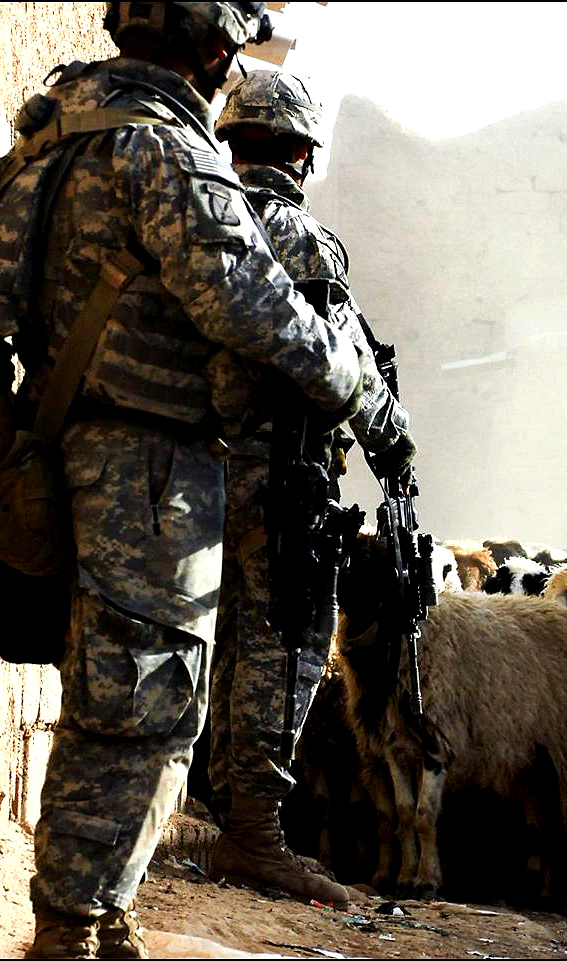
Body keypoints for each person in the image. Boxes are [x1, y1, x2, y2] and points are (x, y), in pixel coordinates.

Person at [0, 3, 367, 957]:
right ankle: (75, 925)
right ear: (211, 46)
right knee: (140, 703)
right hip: (151, 473)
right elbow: (255, 308)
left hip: (52, 448)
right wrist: (354, 380)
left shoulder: (47, 140)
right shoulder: (165, 150)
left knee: (107, 690)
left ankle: (96, 912)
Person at [206, 68, 414, 904]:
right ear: (301, 153)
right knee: (284, 642)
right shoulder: (300, 238)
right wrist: (393, 441)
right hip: (280, 480)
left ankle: (213, 812)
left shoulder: (203, 219)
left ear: (232, 143)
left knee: (218, 640)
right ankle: (254, 832)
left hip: (188, 473)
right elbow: (343, 366)